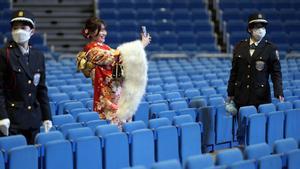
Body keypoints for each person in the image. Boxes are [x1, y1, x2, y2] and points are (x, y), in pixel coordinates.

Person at [77, 17, 150, 128]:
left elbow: (118, 65)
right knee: (114, 134)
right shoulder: (92, 51)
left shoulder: (105, 47)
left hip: (118, 96)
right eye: (100, 30)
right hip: (107, 99)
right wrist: (140, 45)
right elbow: (116, 56)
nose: (104, 33)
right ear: (91, 33)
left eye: (104, 30)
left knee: (125, 130)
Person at [227, 12, 284, 144]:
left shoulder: (270, 48)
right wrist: (230, 93)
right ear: (250, 29)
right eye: (258, 27)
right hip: (241, 95)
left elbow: (276, 73)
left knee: (258, 130)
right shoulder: (239, 47)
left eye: (263, 27)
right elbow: (234, 72)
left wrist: (279, 91)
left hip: (261, 97)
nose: (261, 30)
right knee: (242, 130)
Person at [0, 10, 52, 144]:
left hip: (33, 119)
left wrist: (47, 117)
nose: (19, 31)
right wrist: (2, 117)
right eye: (15, 28)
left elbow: (41, 89)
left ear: (32, 31)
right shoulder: (4, 54)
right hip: (12, 121)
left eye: (23, 28)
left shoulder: (38, 56)